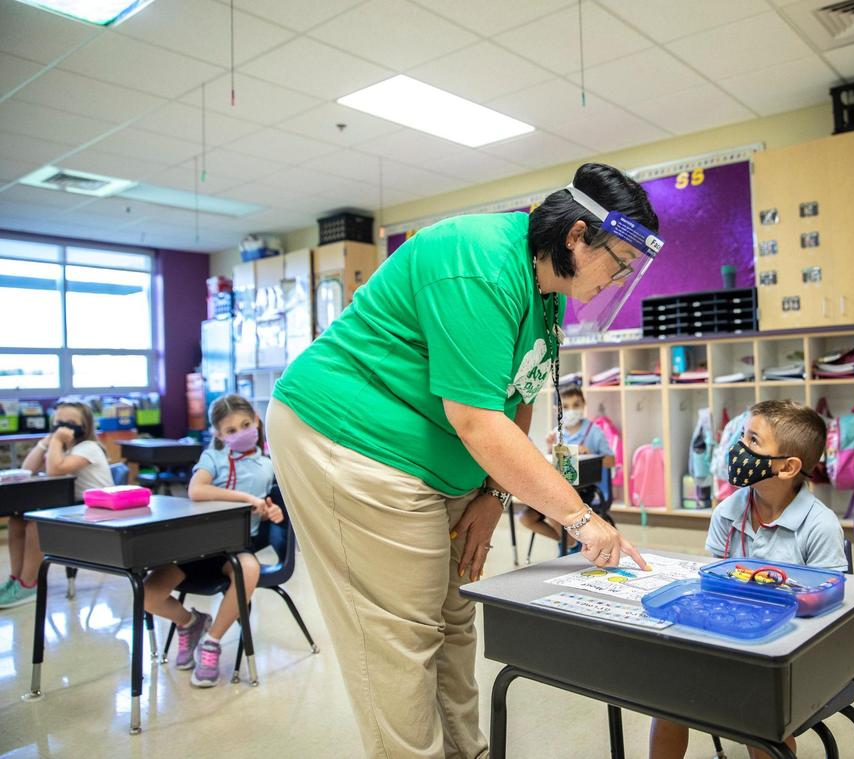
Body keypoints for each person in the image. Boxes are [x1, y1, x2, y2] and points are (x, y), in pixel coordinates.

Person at [267, 162, 661, 759]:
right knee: (401, 635)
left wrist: (492, 495)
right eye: (619, 262)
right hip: (352, 441)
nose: (620, 278)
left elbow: (518, 392)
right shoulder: (476, 263)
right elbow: (477, 419)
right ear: (577, 236)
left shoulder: (543, 288)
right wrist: (580, 519)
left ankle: (466, 752)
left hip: (437, 457)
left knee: (454, 618)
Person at [650, 400, 847, 759]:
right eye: (742, 436)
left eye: (753, 442)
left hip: (790, 655)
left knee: (758, 715)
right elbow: (714, 585)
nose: (737, 449)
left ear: (788, 467)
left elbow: (828, 608)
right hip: (731, 638)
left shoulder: (820, 525)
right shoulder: (728, 511)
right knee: (668, 699)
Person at [142, 395, 283, 687]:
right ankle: (190, 623)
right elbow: (196, 490)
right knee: (146, 595)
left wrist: (271, 512)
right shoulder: (212, 457)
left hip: (237, 546)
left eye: (246, 425)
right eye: (231, 431)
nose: (241, 432)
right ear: (219, 435)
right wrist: (245, 498)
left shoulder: (267, 466)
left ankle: (212, 641)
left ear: (257, 420)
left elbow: (268, 508)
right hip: (195, 547)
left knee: (249, 569)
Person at [1, 400, 113, 609]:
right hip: (73, 509)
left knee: (37, 524)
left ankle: (29, 584)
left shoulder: (89, 447)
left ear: (85, 426)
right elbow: (27, 470)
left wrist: (55, 443)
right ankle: (16, 580)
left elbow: (55, 470)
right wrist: (47, 441)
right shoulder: (60, 448)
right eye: (58, 422)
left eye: (70, 422)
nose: (63, 427)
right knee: (16, 518)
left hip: (94, 513)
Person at [520, 386, 616, 545]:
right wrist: (549, 446)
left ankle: (570, 544)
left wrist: (590, 454)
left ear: (584, 405)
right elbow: (555, 464)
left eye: (576, 405)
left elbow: (611, 460)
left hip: (586, 490)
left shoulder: (594, 431)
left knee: (553, 509)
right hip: (559, 488)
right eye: (565, 407)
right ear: (556, 409)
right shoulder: (557, 432)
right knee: (526, 518)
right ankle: (569, 543)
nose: (571, 410)